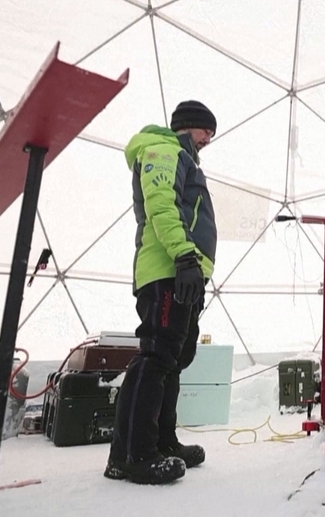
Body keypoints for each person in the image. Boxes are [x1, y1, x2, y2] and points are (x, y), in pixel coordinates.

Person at [105, 100, 219, 485]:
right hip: (167, 269)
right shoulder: (163, 150)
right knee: (156, 356)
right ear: (188, 125)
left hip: (185, 271)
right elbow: (162, 205)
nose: (208, 140)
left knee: (174, 358)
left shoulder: (184, 158)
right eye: (206, 131)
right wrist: (184, 256)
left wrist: (195, 266)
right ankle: (131, 455)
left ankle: (162, 442)